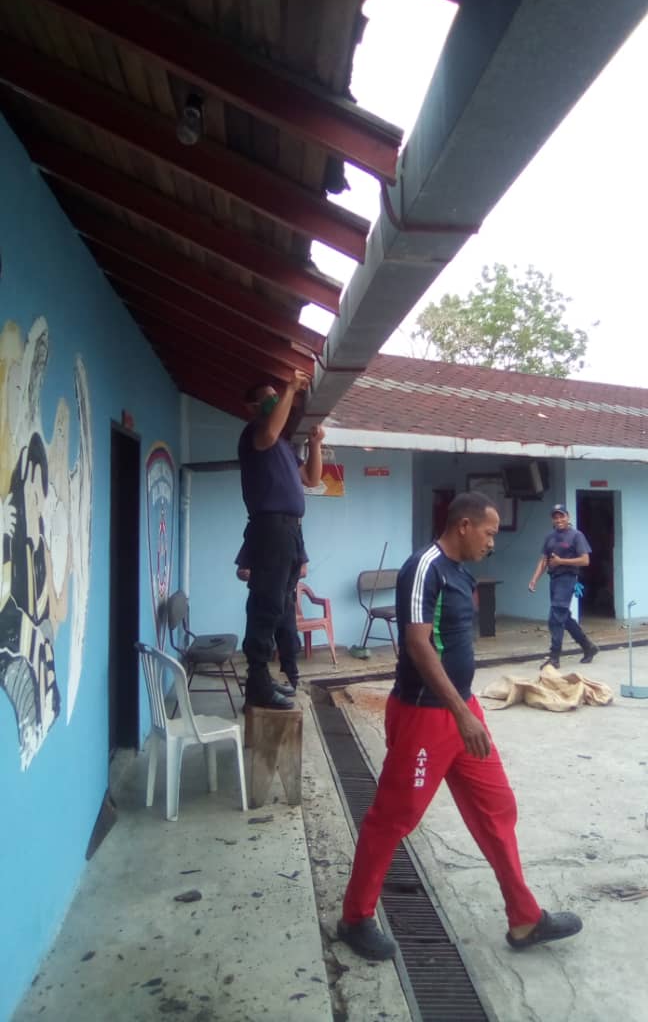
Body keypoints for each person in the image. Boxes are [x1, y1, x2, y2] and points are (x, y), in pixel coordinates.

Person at [337, 491, 582, 961]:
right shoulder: (423, 566)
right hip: (425, 715)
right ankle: (355, 917)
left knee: (497, 808)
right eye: (489, 532)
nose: (492, 541)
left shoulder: (460, 572)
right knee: (393, 817)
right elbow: (416, 643)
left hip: (462, 712)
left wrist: (467, 707)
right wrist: (460, 711)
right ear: (464, 525)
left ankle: (524, 918)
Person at [238, 371, 324, 709]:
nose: (276, 401)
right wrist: (289, 388)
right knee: (267, 603)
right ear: (253, 406)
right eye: (268, 397)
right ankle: (258, 681)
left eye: (278, 396)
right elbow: (272, 428)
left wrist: (315, 445)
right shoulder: (256, 434)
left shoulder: (285, 448)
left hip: (290, 529)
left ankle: (266, 678)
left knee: (281, 604)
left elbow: (313, 479)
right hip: (270, 527)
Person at [528, 503, 598, 669]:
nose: (559, 519)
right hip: (554, 579)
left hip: (568, 578)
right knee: (563, 617)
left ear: (568, 517)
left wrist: (561, 561)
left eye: (562, 515)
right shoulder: (550, 537)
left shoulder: (576, 536)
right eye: (555, 516)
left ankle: (554, 657)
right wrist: (534, 579)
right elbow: (544, 559)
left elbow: (585, 560)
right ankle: (588, 647)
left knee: (555, 618)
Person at [235, 539, 308, 691]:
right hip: (259, 600)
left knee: (289, 642)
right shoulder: (255, 537)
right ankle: (259, 687)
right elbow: (241, 572)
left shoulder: (293, 539)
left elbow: (303, 570)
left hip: (285, 599)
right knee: (257, 645)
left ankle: (292, 682)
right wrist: (248, 574)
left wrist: (278, 575)